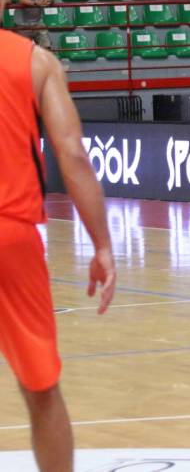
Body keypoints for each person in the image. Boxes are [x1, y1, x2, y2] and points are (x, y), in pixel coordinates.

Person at [0, 29, 116, 472]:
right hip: (11, 232)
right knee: (41, 388)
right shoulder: (36, 61)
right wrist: (102, 246)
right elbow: (71, 153)